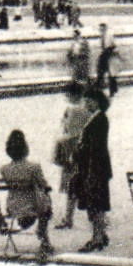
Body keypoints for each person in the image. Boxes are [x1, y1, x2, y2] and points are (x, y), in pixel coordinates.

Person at [0, 129, 54, 257]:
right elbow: (43, 185)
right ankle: (44, 238)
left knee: (39, 199)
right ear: (25, 148)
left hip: (14, 207)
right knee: (46, 200)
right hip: (33, 207)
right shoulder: (34, 167)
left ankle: (40, 232)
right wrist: (46, 189)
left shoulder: (4, 169)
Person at [71, 88, 113, 252]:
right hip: (93, 167)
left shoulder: (100, 119)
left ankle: (97, 237)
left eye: (90, 101)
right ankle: (99, 235)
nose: (86, 104)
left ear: (97, 102)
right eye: (86, 101)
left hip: (94, 168)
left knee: (95, 204)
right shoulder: (96, 118)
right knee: (95, 203)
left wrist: (80, 154)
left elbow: (95, 147)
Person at [52, 83, 92, 230]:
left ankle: (68, 218)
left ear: (73, 95)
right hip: (86, 152)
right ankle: (96, 217)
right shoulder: (87, 108)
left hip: (72, 152)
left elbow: (70, 133)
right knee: (86, 185)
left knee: (71, 187)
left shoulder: (73, 110)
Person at [95, 22, 119, 96]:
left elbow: (114, 45)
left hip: (109, 56)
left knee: (110, 74)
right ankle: (100, 89)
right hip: (103, 56)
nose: (101, 30)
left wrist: (110, 51)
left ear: (105, 28)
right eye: (100, 29)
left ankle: (112, 90)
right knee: (101, 73)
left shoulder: (109, 36)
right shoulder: (101, 36)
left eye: (102, 29)